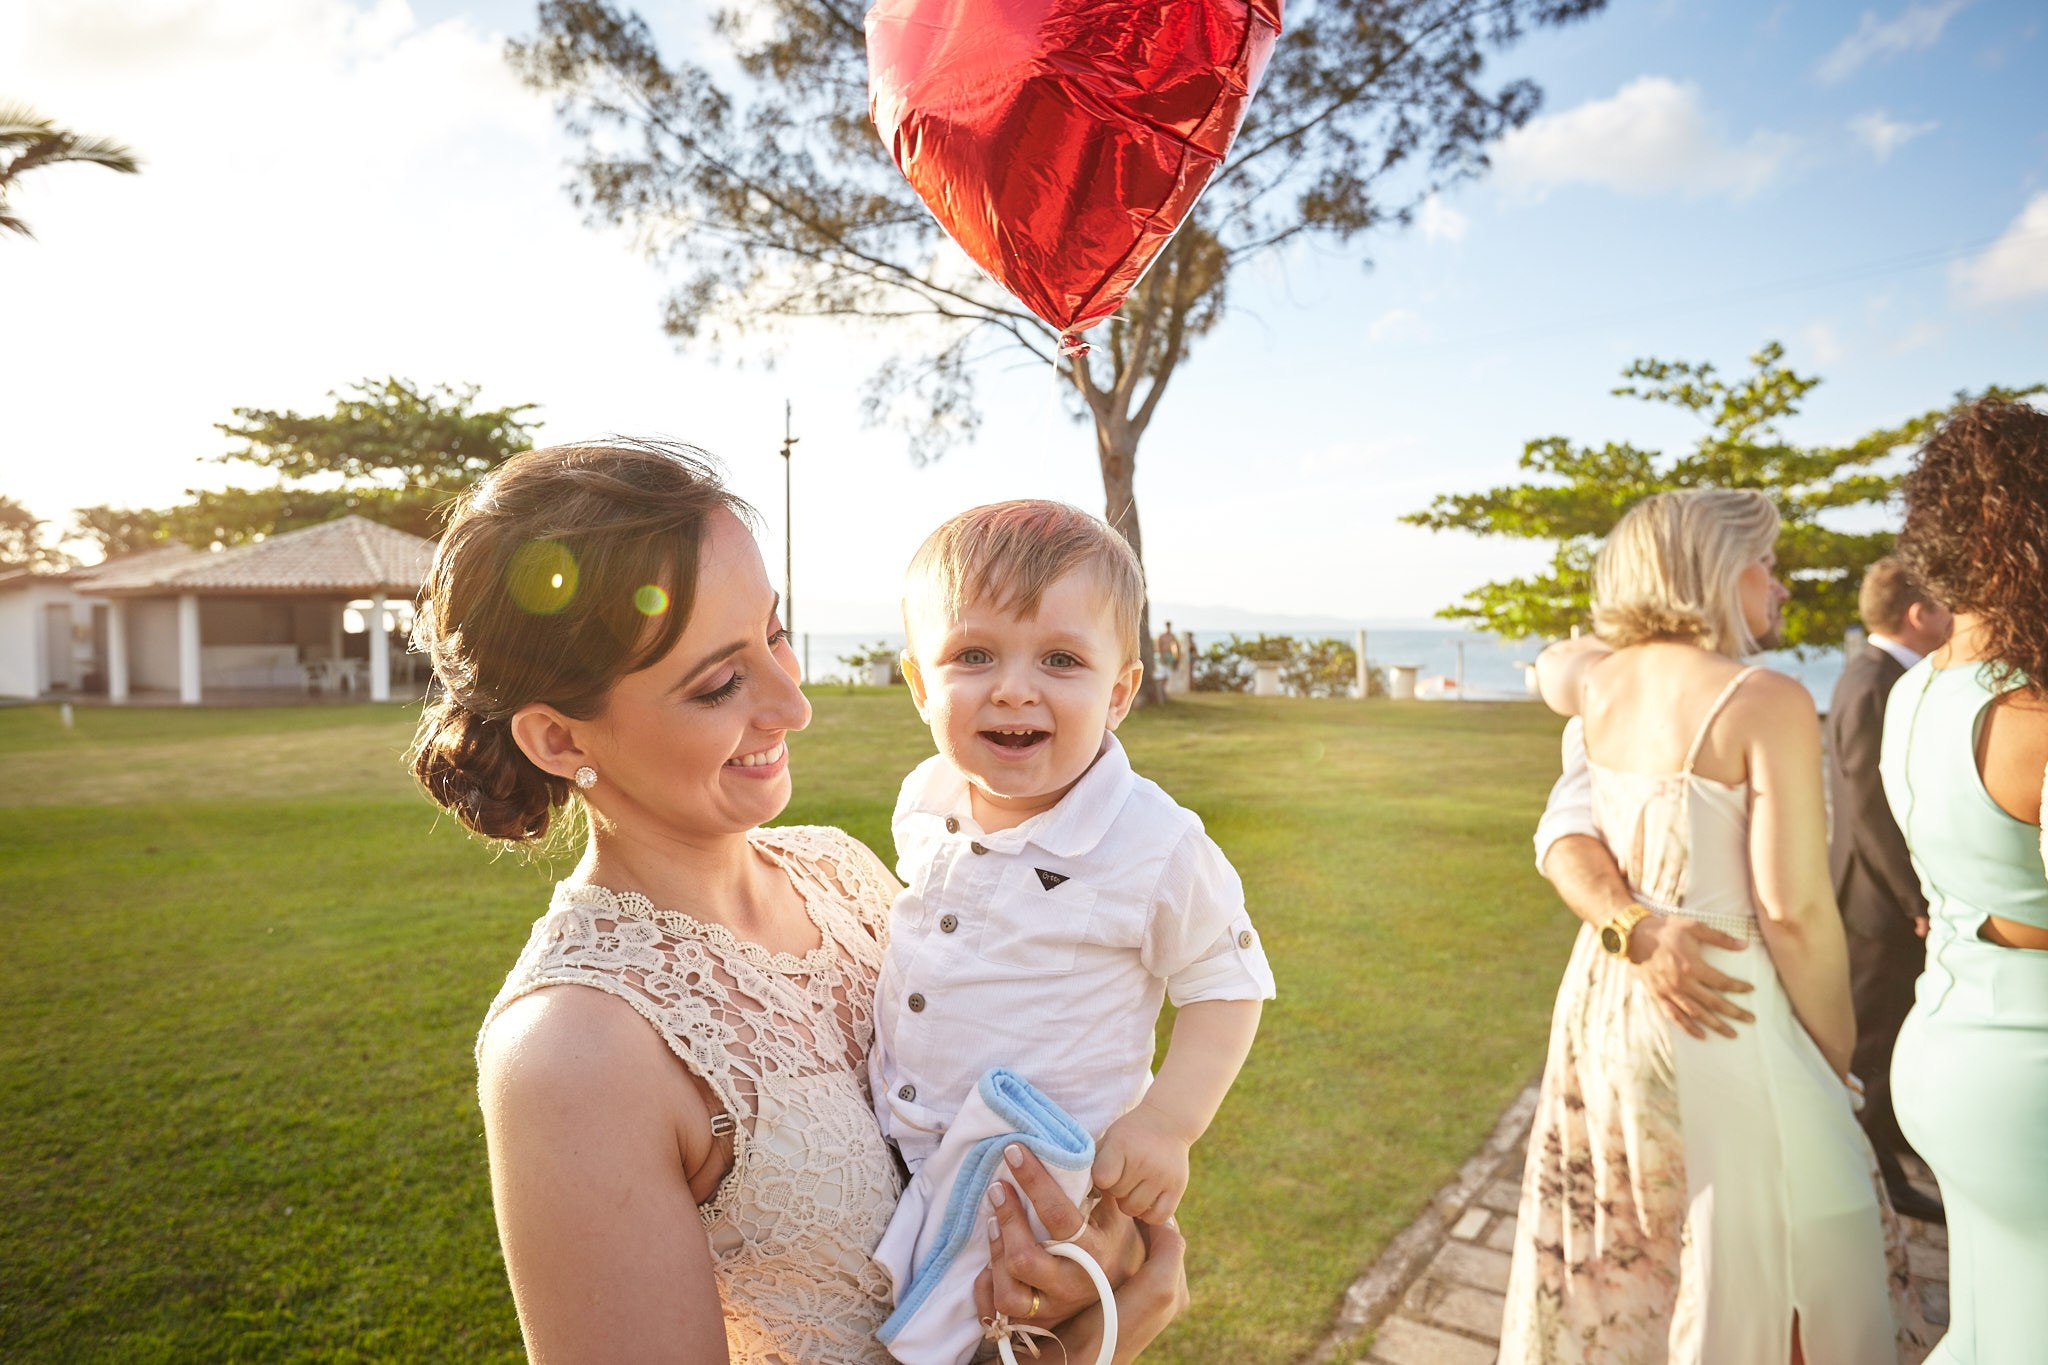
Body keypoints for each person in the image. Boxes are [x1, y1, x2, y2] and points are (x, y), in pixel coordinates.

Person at [407, 442, 1186, 1364]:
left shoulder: (847, 876)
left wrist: (1099, 1250)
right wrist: (1102, 1337)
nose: (793, 702)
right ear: (557, 735)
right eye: (719, 681)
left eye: (775, 635)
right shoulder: (575, 1051)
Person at [1500, 488, 1930, 1364]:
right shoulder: (1762, 697)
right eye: (1762, 562)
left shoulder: (1600, 681)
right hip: (1729, 1005)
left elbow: (1554, 667)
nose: (1779, 582)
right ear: (1707, 569)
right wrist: (1834, 1055)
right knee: (1805, 1246)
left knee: (1644, 1241)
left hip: (1608, 998)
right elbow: (1795, 909)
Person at [869, 502, 1274, 1361]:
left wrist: (1168, 1122)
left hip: (1038, 1174)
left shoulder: (1153, 842)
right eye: (974, 655)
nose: (1015, 686)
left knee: (981, 1333)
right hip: (905, 1150)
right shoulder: (926, 798)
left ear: (1119, 691)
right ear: (918, 685)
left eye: (1061, 659)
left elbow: (1226, 980)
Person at [1882, 398, 2048, 1365]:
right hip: (2029, 1078)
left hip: (1942, 1049)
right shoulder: (2032, 715)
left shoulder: (1917, 689)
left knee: (1992, 1330)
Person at [1826, 557, 1952, 1224]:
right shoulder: (1878, 682)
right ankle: (1883, 1182)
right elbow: (1870, 807)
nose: (1953, 615)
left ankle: (1895, 1147)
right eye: (1944, 603)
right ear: (1918, 613)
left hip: (1878, 895)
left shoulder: (1880, 675)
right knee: (1873, 1047)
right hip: (1876, 902)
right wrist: (1915, 900)